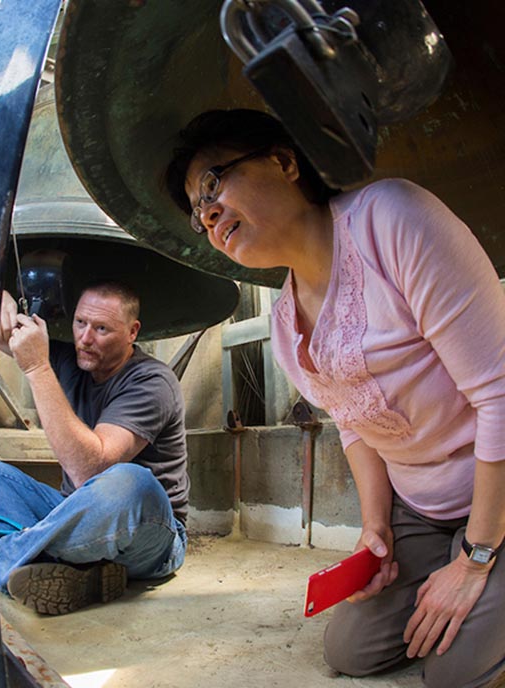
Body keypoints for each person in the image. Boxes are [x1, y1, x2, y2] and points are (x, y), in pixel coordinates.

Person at [165, 108, 505, 688]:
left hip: (495, 495)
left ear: (284, 162)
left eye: (214, 182)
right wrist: (378, 529)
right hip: (421, 506)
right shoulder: (283, 326)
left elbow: (500, 396)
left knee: (455, 675)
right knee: (352, 650)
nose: (209, 214)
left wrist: (473, 560)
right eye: (199, 213)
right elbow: (353, 425)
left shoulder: (392, 220)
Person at [0, 280, 189, 615]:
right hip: (70, 512)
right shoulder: (71, 358)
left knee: (130, 481)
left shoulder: (153, 382)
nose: (85, 338)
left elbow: (89, 470)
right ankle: (77, 570)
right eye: (80, 323)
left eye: (101, 329)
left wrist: (38, 368)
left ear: (132, 332)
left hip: (148, 533)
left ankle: (2, 558)